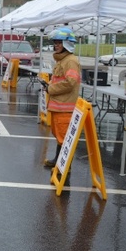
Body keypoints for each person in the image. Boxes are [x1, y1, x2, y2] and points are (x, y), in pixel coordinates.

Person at [42, 27, 81, 169]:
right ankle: (57, 160)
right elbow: (60, 80)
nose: (56, 45)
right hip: (58, 105)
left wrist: (51, 88)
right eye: (55, 42)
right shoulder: (62, 60)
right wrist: (49, 85)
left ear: (67, 43)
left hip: (65, 107)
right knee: (59, 135)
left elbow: (71, 82)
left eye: (59, 42)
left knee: (64, 137)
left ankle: (64, 167)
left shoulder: (70, 61)